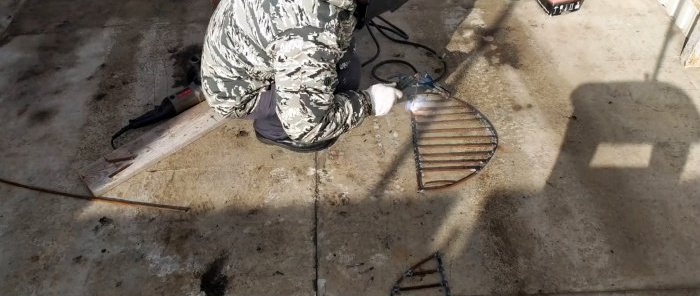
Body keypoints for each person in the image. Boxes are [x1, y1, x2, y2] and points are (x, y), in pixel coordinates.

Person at [200, 0, 408, 152]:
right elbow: (307, 126)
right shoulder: (312, 34)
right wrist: (369, 101)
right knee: (347, 74)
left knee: (342, 53)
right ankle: (274, 130)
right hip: (235, 93)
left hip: (235, 54)